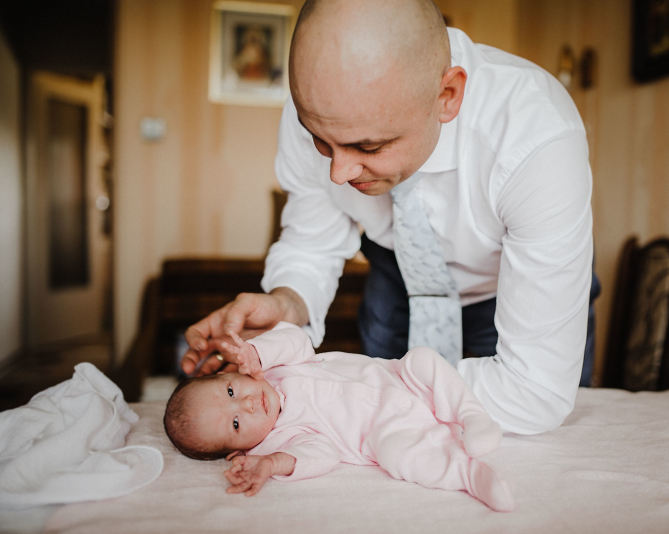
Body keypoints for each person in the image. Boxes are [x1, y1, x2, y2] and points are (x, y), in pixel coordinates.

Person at [181, 0, 597, 435]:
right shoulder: (316, 106)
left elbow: (532, 392)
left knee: (525, 451)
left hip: (510, 292)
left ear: (446, 97)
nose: (338, 174)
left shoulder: (536, 139)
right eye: (321, 143)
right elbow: (313, 241)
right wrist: (287, 301)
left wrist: (355, 387)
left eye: (369, 147)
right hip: (396, 279)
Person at [164, 322, 513, 512]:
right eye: (236, 423)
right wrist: (273, 464)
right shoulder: (279, 439)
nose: (248, 404)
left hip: (400, 378)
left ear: (230, 373)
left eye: (230, 392)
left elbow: (298, 337)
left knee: (423, 358)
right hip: (388, 431)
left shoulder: (274, 367)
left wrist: (258, 350)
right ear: (239, 451)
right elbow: (323, 455)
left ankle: (472, 416)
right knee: (398, 456)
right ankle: (468, 475)